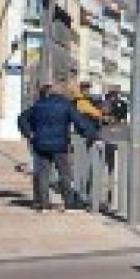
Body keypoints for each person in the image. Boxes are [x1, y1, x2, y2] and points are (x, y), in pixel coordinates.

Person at [18, 82, 99, 211]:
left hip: (40, 144)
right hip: (60, 146)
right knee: (65, 174)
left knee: (42, 174)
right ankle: (69, 202)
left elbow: (22, 118)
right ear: (62, 93)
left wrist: (29, 134)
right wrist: (92, 135)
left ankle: (43, 204)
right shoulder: (66, 106)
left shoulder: (39, 105)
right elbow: (80, 123)